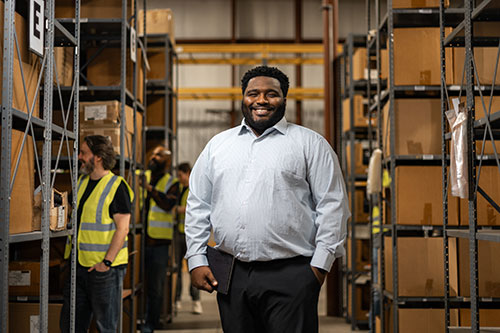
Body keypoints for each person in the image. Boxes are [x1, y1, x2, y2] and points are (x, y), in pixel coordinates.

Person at [185, 65, 350, 332]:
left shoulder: (310, 144)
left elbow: (333, 207)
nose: (261, 100)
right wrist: (196, 259)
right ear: (243, 98)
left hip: (293, 273)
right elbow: (197, 205)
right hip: (232, 273)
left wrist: (318, 267)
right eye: (253, 93)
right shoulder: (218, 146)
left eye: (271, 94)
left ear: (284, 99)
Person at [60, 135, 133, 332]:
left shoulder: (116, 186)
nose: (79, 157)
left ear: (98, 157)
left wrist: (106, 263)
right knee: (71, 325)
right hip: (78, 267)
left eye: (83, 153)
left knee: (106, 327)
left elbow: (123, 228)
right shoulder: (81, 183)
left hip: (104, 270)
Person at [141, 146, 180, 332]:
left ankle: (151, 323)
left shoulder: (172, 182)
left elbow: (167, 204)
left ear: (167, 161)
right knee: (139, 284)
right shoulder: (143, 176)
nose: (154, 157)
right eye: (153, 153)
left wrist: (150, 189)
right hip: (140, 240)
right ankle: (138, 319)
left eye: (159, 155)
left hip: (159, 243)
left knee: (155, 288)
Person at [173, 162, 202, 314]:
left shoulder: (194, 187)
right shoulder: (178, 188)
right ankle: (177, 299)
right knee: (177, 269)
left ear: (187, 173)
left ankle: (196, 301)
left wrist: (178, 209)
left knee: (194, 268)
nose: (179, 179)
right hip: (178, 233)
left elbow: (195, 207)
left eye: (180, 175)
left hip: (191, 234)